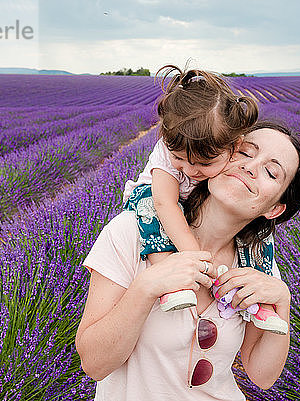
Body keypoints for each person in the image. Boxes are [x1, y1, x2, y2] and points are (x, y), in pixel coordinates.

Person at [76, 121, 300, 400]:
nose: (250, 167)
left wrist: (282, 301)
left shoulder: (258, 265)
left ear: (274, 209)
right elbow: (94, 365)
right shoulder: (131, 232)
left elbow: (262, 376)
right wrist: (147, 286)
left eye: (271, 172)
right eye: (245, 153)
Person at [122, 65, 286, 333]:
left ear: (234, 147)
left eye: (203, 164)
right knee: (151, 210)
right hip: (156, 204)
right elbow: (165, 203)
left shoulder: (228, 149)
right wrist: (195, 256)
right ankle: (172, 284)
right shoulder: (167, 153)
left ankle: (259, 304)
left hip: (190, 206)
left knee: (256, 234)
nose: (188, 169)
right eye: (180, 159)